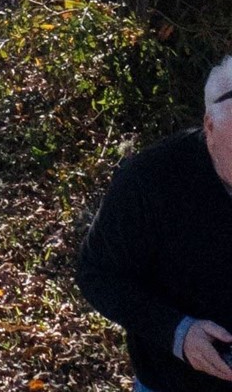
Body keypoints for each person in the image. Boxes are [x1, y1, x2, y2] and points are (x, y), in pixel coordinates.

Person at [79, 56, 232, 390]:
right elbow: (97, 273)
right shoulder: (149, 180)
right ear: (209, 126)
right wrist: (179, 332)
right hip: (172, 382)